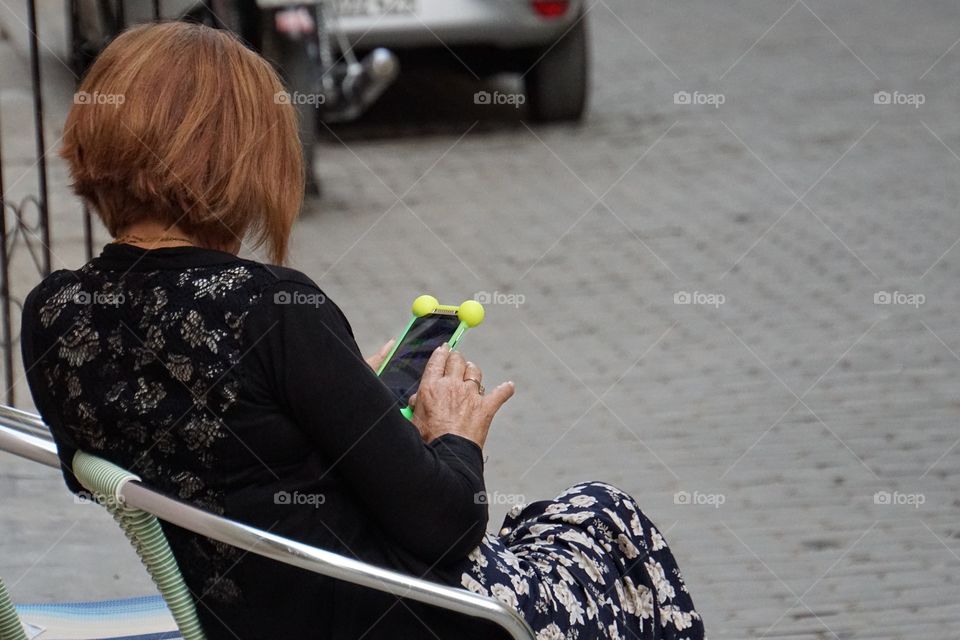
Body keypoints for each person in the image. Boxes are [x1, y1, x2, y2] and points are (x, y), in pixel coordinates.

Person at [21, 21, 704, 640]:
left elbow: (123, 470)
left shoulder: (53, 312)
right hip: (383, 612)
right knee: (605, 520)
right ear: (242, 161)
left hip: (231, 616)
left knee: (572, 522)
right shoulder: (272, 309)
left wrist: (343, 396)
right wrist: (454, 433)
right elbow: (446, 527)